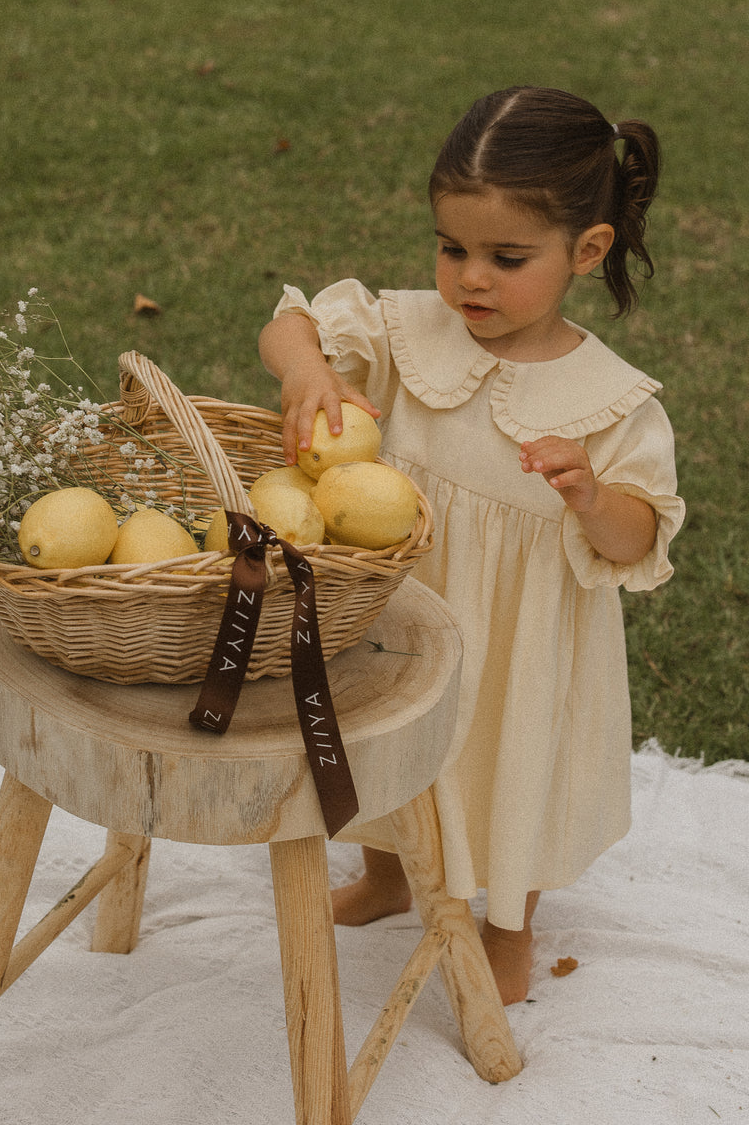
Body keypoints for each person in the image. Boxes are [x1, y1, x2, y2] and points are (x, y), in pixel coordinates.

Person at [258, 86, 685, 1005]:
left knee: (509, 767)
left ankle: (508, 926)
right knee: (382, 741)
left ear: (587, 251)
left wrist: (589, 493)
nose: (470, 280)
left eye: (506, 258)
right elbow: (290, 324)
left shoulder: (612, 401)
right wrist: (307, 372)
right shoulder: (409, 334)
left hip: (516, 645)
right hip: (403, 610)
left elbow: (638, 538)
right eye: (452, 248)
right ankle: (386, 874)